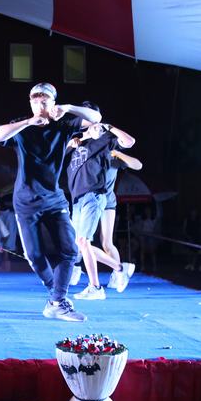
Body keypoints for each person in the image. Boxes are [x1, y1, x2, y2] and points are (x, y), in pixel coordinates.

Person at [0, 82, 100, 322]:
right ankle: (55, 296)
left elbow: (96, 118)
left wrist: (68, 108)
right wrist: (28, 122)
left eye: (44, 100)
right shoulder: (22, 126)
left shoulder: (64, 124)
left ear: (52, 103)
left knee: (70, 250)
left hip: (54, 199)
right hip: (25, 201)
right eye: (35, 100)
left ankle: (58, 301)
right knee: (34, 255)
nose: (39, 105)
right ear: (30, 104)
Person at [66, 117, 135, 300]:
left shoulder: (105, 142)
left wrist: (109, 127)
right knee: (79, 244)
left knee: (90, 241)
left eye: (96, 124)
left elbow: (129, 142)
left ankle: (96, 285)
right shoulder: (78, 141)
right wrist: (75, 142)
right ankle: (119, 268)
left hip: (94, 195)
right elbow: (55, 153)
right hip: (77, 198)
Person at [99, 147, 142, 288]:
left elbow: (138, 165)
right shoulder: (88, 149)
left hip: (107, 201)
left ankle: (119, 273)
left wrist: (118, 154)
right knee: (82, 242)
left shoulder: (113, 156)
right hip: (87, 200)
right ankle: (119, 270)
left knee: (106, 243)